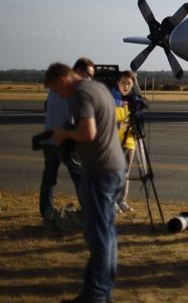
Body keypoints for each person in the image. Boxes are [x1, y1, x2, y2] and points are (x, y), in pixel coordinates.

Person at [45, 62, 126, 303]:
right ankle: (101, 292)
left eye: (57, 90)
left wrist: (65, 134)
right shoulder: (99, 88)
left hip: (101, 171)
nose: (59, 95)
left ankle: (98, 296)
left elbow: (89, 133)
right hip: (113, 167)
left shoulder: (80, 93)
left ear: (62, 80)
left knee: (98, 237)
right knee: (107, 235)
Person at [39, 82, 83, 223]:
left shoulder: (53, 90)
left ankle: (46, 210)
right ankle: (88, 209)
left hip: (49, 140)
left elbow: (46, 107)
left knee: (49, 178)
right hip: (66, 142)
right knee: (79, 177)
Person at [112, 71, 137, 213]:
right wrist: (118, 125)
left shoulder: (134, 100)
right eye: (123, 83)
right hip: (114, 140)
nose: (126, 86)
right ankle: (113, 201)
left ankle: (122, 200)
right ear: (118, 83)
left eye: (129, 84)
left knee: (125, 172)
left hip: (130, 141)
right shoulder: (111, 98)